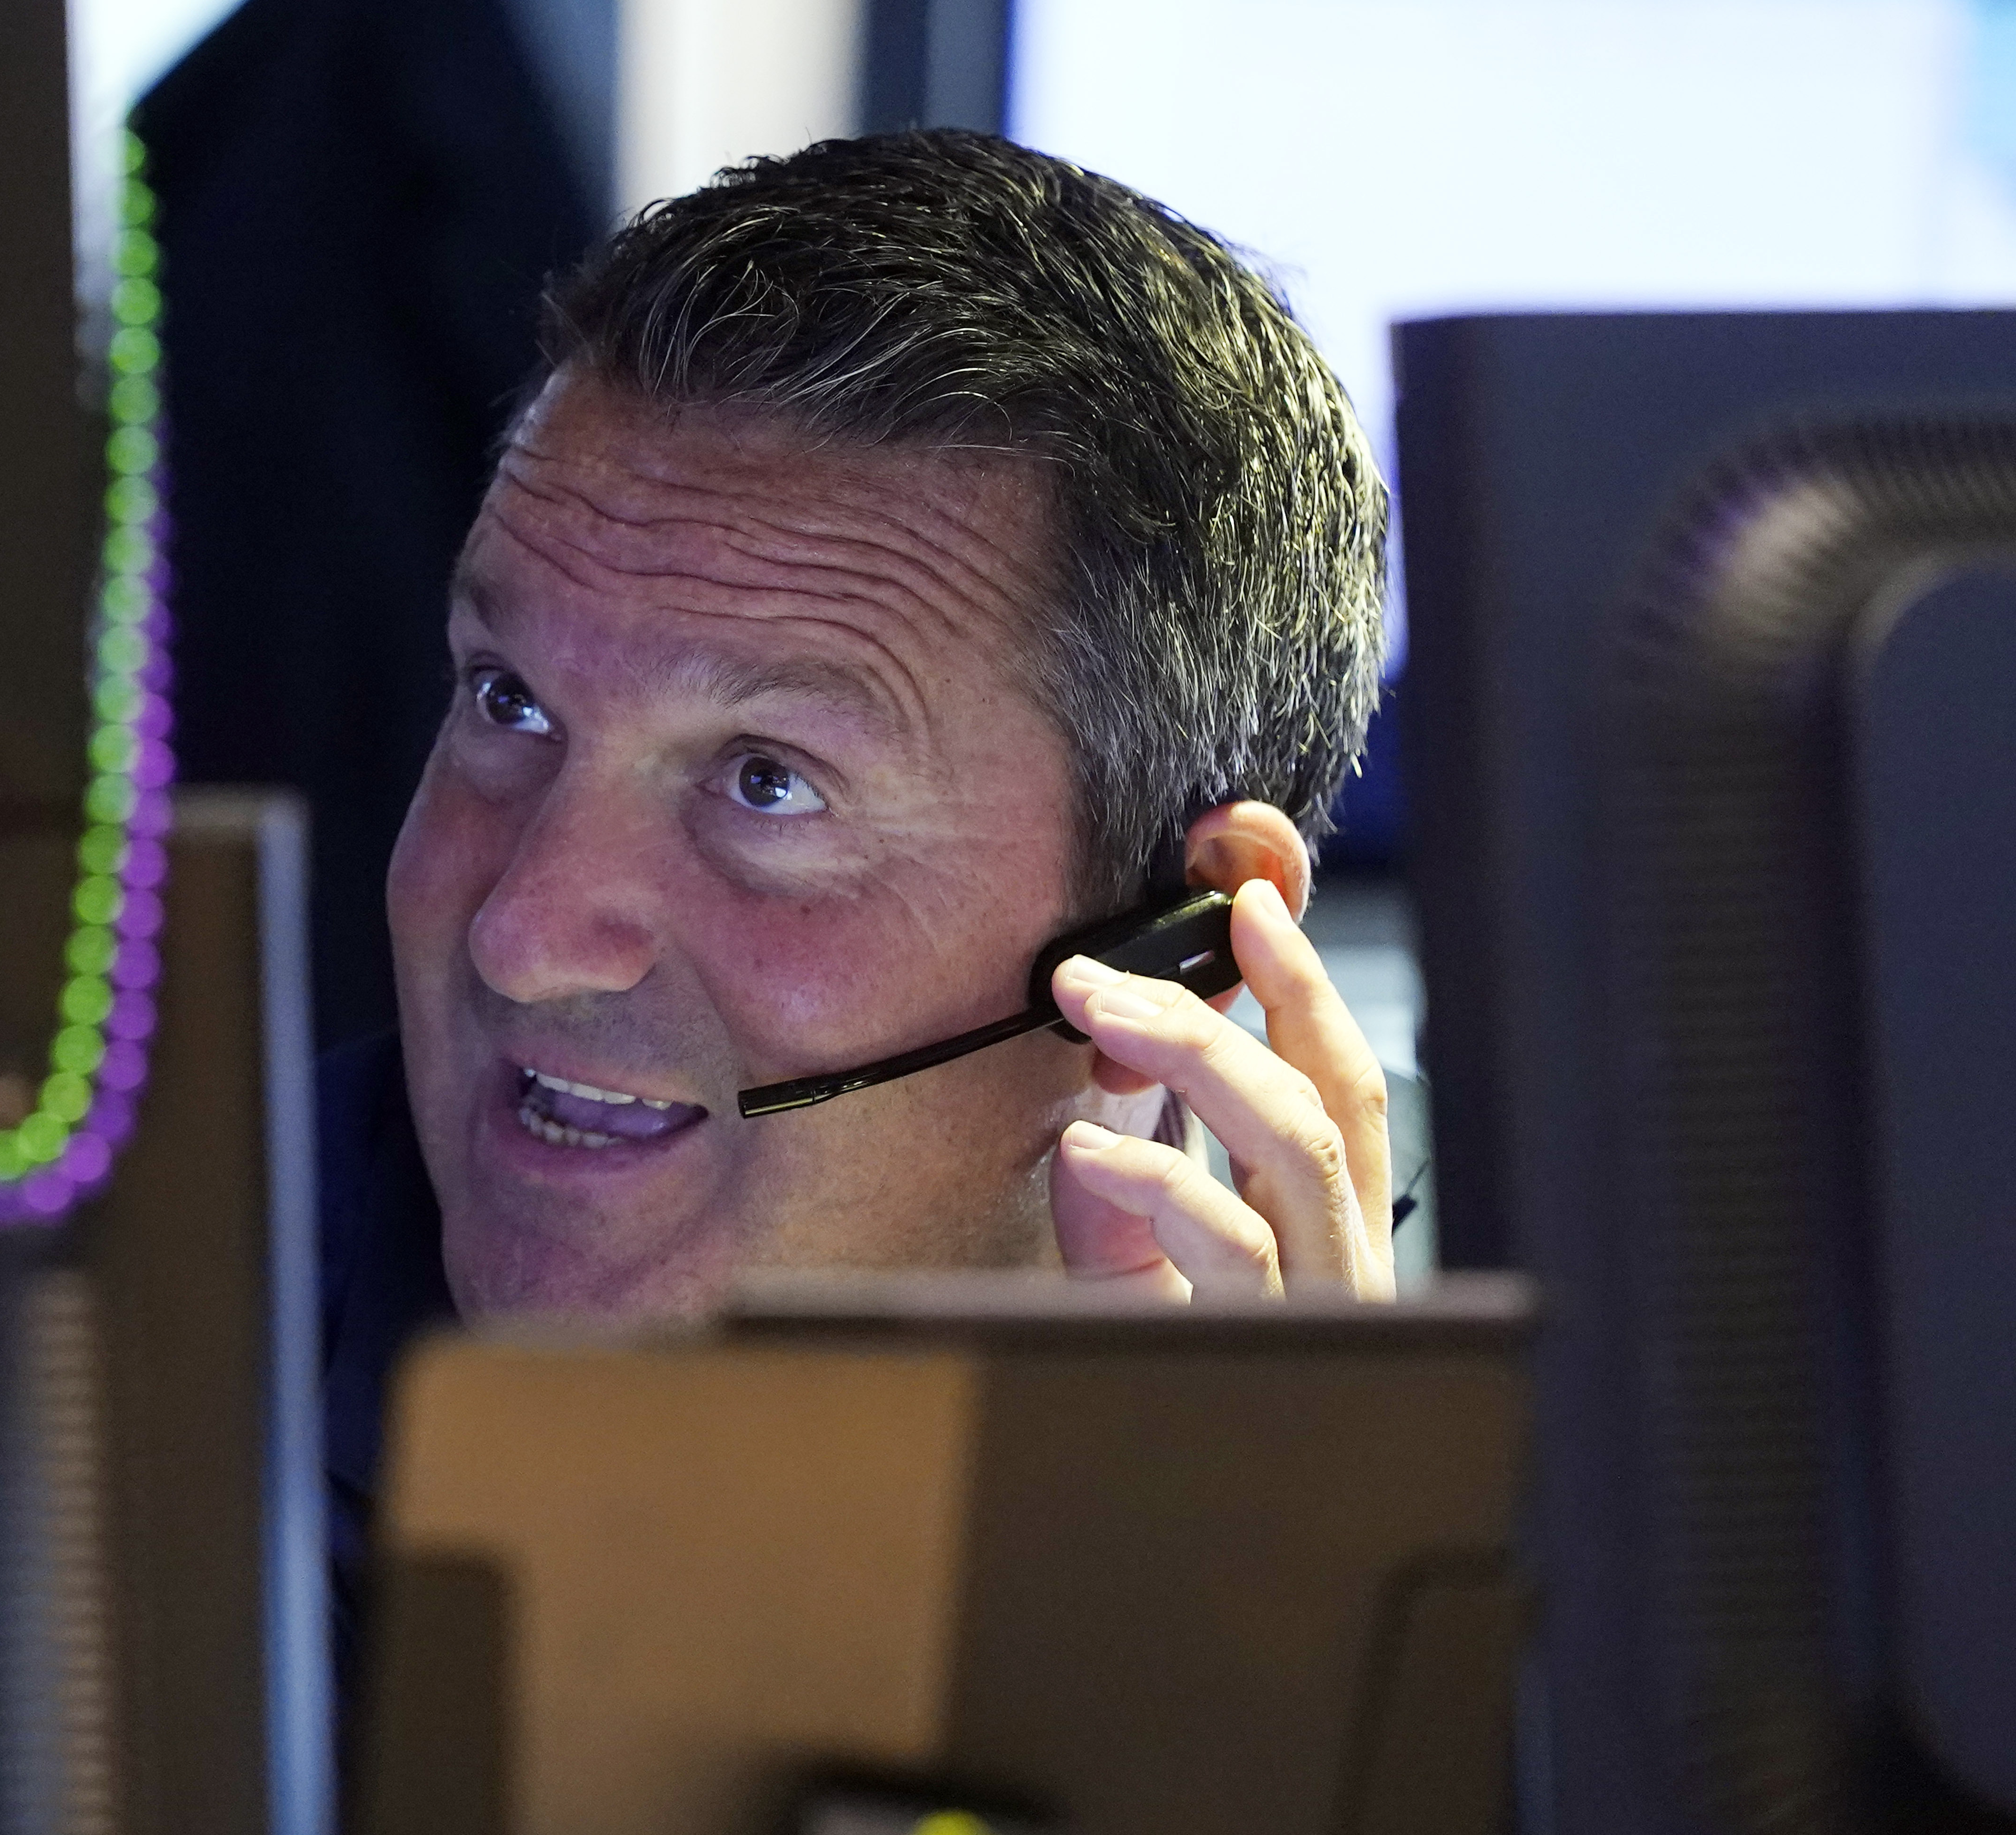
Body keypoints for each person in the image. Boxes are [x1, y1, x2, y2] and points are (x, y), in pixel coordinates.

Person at [321, 126, 1394, 1675]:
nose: (524, 933)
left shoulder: (1584, 1620)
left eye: (766, 781)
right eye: (509, 701)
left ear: (1198, 935)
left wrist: (1278, 1676)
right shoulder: (67, 1411)